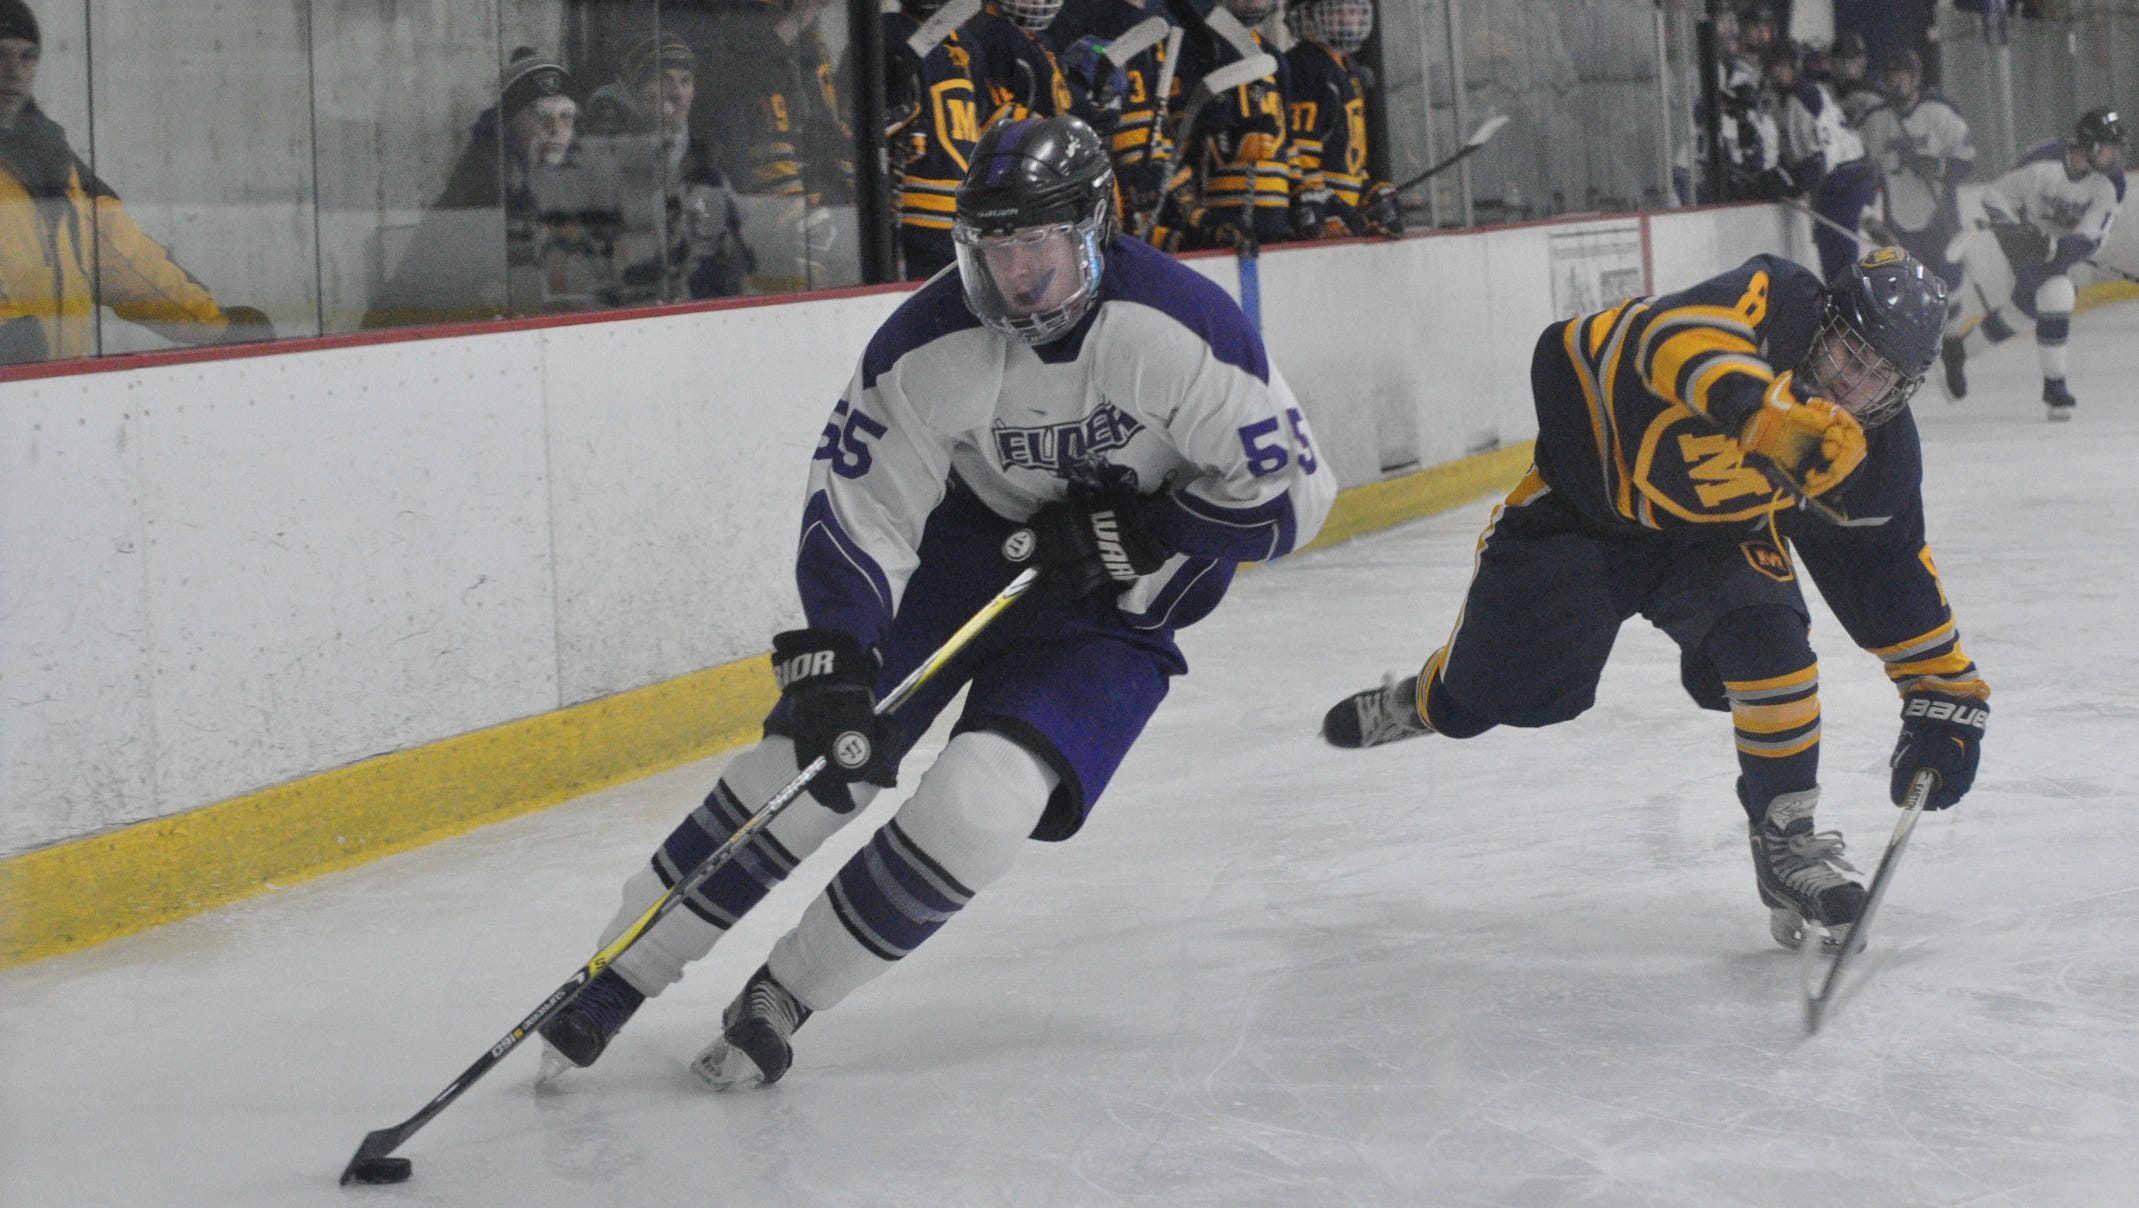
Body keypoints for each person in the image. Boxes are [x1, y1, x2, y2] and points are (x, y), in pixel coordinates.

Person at [535, 115, 1333, 1089]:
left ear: (1093, 232)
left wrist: (1149, 531)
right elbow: (859, 504)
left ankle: (784, 994)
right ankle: (617, 973)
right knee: (812, 764)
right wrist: (838, 651)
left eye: (1038, 246)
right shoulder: (928, 343)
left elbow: (1296, 495)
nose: (1018, 278)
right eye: (995, 251)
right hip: (968, 557)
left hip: (1114, 605)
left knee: (984, 802)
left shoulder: (1181, 328)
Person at [1322, 247, 1988, 955]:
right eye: (1847, 353)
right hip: (1580, 518)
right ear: (1824, 320)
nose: (1849, 383)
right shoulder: (1775, 298)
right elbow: (1672, 336)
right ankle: (1419, 702)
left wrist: (1939, 688)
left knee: (1774, 651)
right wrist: (1754, 409)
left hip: (1714, 541)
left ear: (1900, 387)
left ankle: (1786, 847)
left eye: (1875, 374)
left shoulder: (1869, 452)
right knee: (1492, 699)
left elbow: (1885, 568)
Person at [0, 0, 268, 364]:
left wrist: (214, 325)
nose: (13, 73)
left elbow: (121, 258)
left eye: (27, 57)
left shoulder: (54, 157)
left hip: (51, 391)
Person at [362, 48, 620, 327]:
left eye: (565, 116)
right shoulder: (489, 176)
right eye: (540, 115)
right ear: (510, 120)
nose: (554, 129)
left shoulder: (553, 174)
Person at [1941, 107, 2125, 420]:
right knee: (2058, 293)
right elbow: (1995, 196)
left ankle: (1959, 350)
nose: (2116, 156)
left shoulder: (2111, 184)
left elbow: (2091, 237)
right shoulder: (2042, 163)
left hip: (2055, 248)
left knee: (2025, 312)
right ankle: (2055, 386)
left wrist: (2054, 247)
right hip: (2021, 244)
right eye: (2111, 148)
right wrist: (2017, 229)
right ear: (2091, 146)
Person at [616, 33, 753, 300]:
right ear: (637, 90)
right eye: (663, 80)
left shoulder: (718, 156)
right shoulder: (613, 156)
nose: (677, 93)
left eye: (685, 82)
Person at [1855, 49, 1973, 293]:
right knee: (1908, 289)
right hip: (1898, 223)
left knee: (1949, 284)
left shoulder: (1941, 112)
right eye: (1890, 76)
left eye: (1902, 75)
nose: (1895, 81)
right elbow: (1863, 172)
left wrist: (1937, 166)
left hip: (1940, 217)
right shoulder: (1874, 121)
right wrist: (1867, 215)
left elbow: (1967, 160)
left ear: (1915, 78)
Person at [881, 0, 984, 279]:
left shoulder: (966, 43)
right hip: (913, 213)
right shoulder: (885, 33)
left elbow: (978, 118)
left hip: (963, 215)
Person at [1283, 0, 1399, 241]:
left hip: (1342, 215)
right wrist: (1323, 205)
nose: (1348, 19)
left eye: (1354, 11)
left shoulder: (1348, 70)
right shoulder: (1305, 65)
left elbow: (1349, 155)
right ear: (1309, 17)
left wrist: (1370, 196)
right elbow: (1299, 153)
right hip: (1319, 219)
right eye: (1338, 11)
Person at [1766, 41, 1878, 280]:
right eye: (1775, 66)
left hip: (1845, 178)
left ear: (1795, 67)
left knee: (1839, 260)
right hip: (1842, 177)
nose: (1779, 71)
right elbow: (1796, 156)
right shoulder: (1785, 100)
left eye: (1785, 66)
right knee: (1832, 257)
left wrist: (1790, 184)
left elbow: (1815, 162)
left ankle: (1850, 309)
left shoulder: (1803, 97)